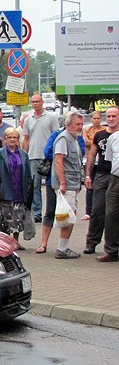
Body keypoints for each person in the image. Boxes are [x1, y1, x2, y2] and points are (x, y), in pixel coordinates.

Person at [50, 111, 85, 259]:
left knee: (71, 215)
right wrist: (63, 183)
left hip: (73, 183)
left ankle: (64, 247)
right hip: (67, 184)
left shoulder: (74, 138)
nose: (80, 127)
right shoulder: (64, 138)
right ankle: (61, 249)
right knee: (66, 217)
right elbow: (59, 161)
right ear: (68, 125)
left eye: (82, 124)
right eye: (78, 124)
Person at [84, 107, 118, 255]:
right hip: (102, 174)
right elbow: (92, 155)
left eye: (114, 116)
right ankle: (91, 242)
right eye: (108, 116)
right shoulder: (100, 135)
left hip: (116, 176)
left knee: (113, 213)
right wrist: (88, 175)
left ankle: (112, 246)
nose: (110, 119)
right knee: (97, 210)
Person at [22, 94, 60, 222]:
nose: (35, 104)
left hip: (48, 157)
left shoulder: (51, 118)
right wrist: (24, 155)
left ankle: (53, 212)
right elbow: (26, 139)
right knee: (35, 186)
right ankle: (36, 213)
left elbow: (56, 137)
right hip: (33, 156)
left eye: (37, 101)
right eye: (33, 102)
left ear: (42, 102)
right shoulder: (28, 120)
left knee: (52, 185)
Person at [0, 128, 32, 249]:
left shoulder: (23, 154)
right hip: (6, 188)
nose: (12, 140)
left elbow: (28, 174)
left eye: (15, 137)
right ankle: (6, 243)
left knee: (18, 216)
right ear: (5, 139)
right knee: (7, 217)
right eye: (10, 137)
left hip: (20, 188)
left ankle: (16, 241)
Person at [96, 130, 119, 262]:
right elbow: (110, 159)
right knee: (110, 214)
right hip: (115, 179)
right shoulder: (114, 138)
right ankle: (111, 250)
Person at [82, 110, 105, 221]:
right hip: (89, 161)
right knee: (89, 186)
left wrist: (93, 141)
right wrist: (96, 141)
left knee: (101, 187)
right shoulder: (87, 130)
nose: (96, 120)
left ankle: (100, 210)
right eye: (94, 118)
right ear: (91, 119)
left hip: (101, 161)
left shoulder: (105, 130)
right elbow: (85, 142)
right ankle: (88, 211)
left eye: (98, 118)